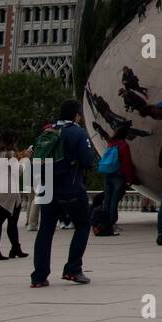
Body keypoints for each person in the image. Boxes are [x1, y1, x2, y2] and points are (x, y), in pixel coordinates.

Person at [30, 100, 98, 287]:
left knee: (46, 230)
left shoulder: (48, 131)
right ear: (76, 115)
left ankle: (39, 275)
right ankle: (73, 269)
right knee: (83, 225)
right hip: (71, 187)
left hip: (48, 188)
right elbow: (87, 160)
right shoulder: (77, 132)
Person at [0, 130, 28, 260]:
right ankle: (12, 249)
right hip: (10, 191)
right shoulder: (10, 155)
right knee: (11, 222)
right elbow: (18, 172)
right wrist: (25, 159)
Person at [101, 124, 139, 234]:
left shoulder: (111, 143)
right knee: (114, 200)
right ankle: (112, 222)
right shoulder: (123, 145)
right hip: (118, 175)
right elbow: (126, 163)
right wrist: (130, 178)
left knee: (107, 199)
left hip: (108, 173)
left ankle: (104, 221)